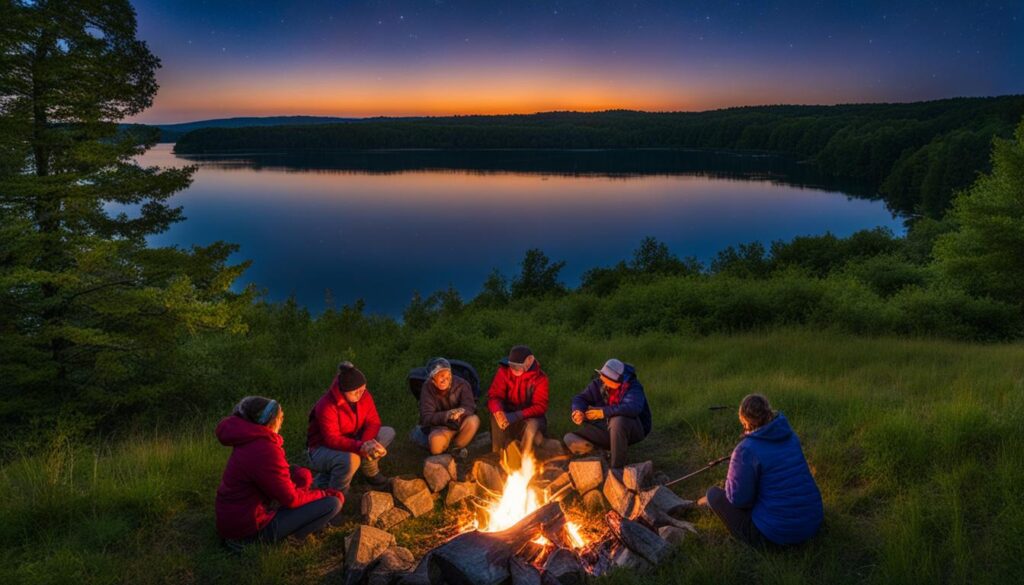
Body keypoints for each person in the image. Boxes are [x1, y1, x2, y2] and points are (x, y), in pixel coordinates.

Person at [215, 396, 342, 551]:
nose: (283, 420)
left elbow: (271, 475)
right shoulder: (265, 449)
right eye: (281, 417)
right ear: (271, 421)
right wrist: (326, 493)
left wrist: (300, 475)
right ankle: (291, 541)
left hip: (234, 521)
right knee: (332, 503)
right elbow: (291, 499)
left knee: (300, 474)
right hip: (249, 531)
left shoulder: (249, 440)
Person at [702, 394, 823, 546]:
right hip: (813, 522)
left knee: (713, 495)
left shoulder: (745, 450)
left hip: (776, 535)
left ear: (743, 420)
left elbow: (738, 500)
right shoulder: (791, 437)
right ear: (769, 412)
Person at [307, 361, 395, 494]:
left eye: (363, 388)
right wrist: (360, 447)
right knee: (351, 459)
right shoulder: (327, 406)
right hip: (321, 449)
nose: (361, 393)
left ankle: (369, 469)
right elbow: (331, 439)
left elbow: (373, 422)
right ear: (343, 391)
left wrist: (367, 444)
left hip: (354, 439)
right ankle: (337, 495)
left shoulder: (364, 395)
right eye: (356, 392)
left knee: (387, 432)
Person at [563, 358, 652, 470]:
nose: (601, 379)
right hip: (606, 428)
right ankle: (599, 457)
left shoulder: (633, 387)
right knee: (570, 438)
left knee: (618, 420)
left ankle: (616, 469)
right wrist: (578, 410)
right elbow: (580, 398)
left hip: (633, 429)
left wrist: (603, 412)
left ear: (616, 381)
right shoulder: (600, 384)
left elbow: (632, 408)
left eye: (605, 378)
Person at [411, 357, 480, 457]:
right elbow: (426, 417)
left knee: (474, 421)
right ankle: (444, 455)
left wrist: (459, 413)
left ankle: (455, 449)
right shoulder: (427, 388)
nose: (444, 379)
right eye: (440, 376)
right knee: (436, 442)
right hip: (441, 427)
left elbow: (469, 406)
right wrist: (447, 415)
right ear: (432, 378)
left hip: (460, 422)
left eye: (447, 375)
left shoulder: (462, 384)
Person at [487, 345, 549, 453]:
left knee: (533, 429)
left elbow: (540, 407)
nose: (514, 369)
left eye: (518, 366)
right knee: (495, 418)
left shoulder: (540, 378)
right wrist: (498, 411)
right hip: (507, 414)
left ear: (530, 360)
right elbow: (494, 396)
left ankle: (525, 457)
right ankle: (498, 455)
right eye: (512, 365)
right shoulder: (504, 372)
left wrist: (518, 415)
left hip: (530, 417)